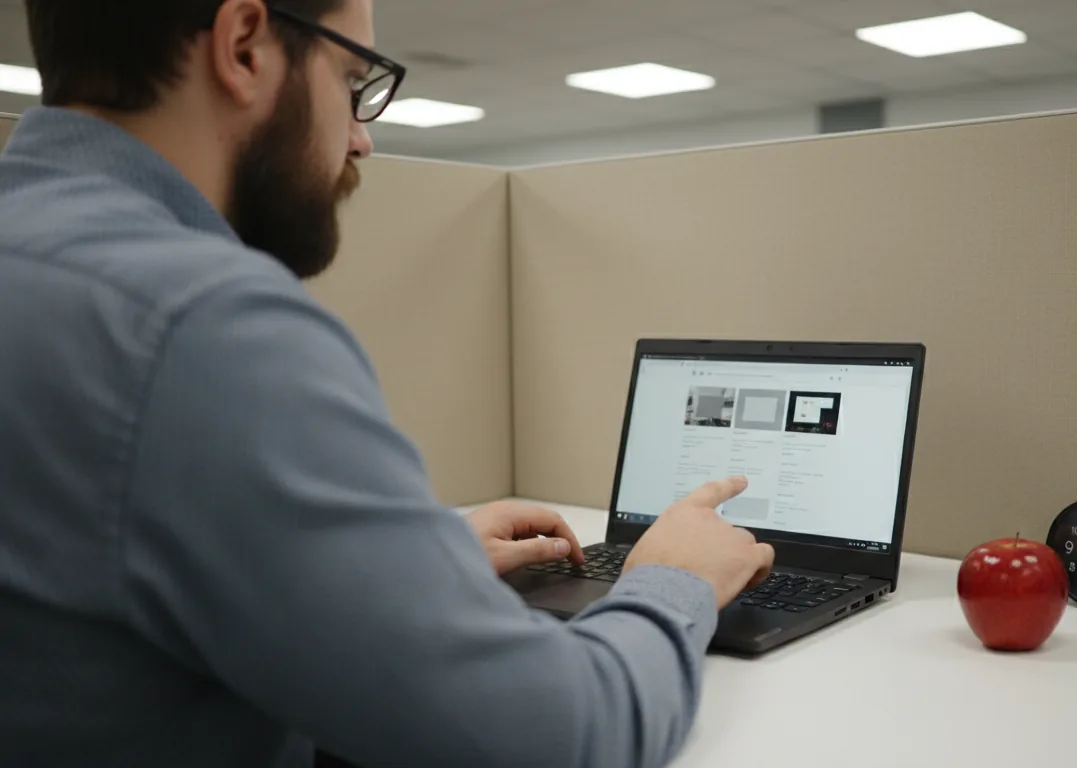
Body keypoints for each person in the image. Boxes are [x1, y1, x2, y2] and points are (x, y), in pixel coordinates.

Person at [0, 1, 776, 766]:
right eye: (351, 81)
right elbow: (559, 737)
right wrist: (672, 581)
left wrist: (401, 568)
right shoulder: (203, 325)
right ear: (242, 45)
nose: (362, 139)